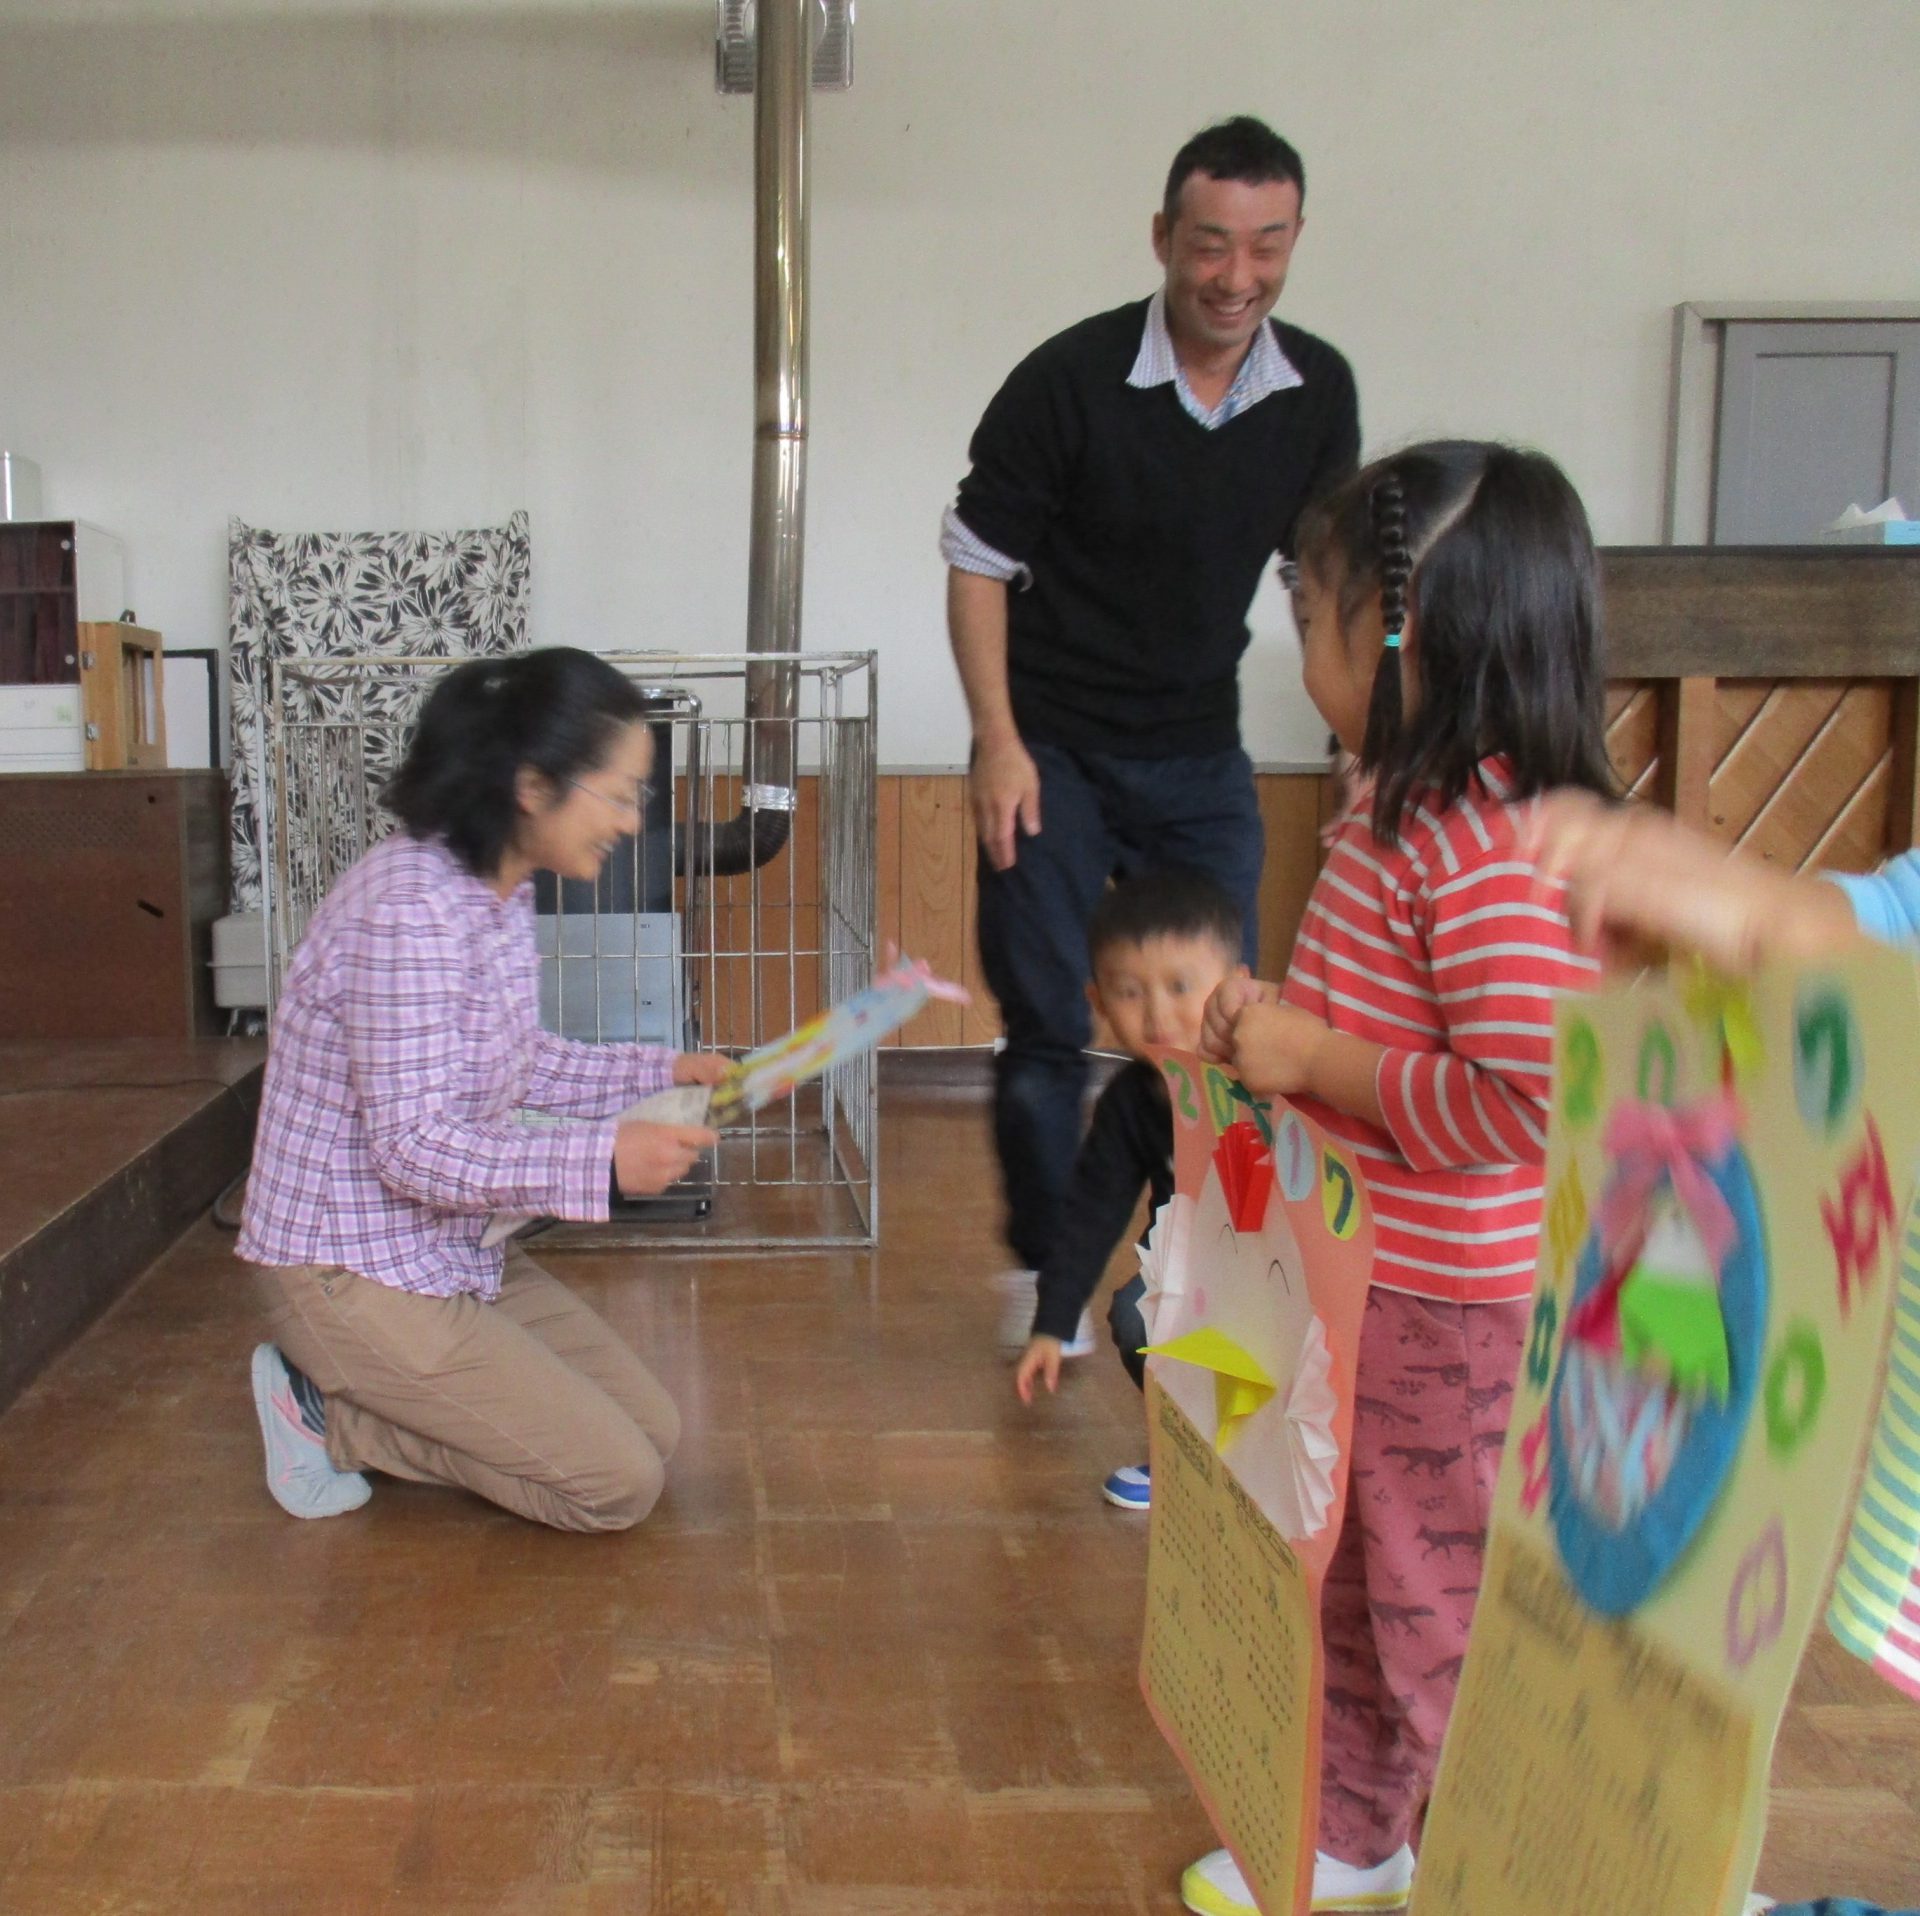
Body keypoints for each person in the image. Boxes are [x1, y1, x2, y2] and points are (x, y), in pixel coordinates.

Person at [1182, 442, 1614, 1914]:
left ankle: (1526, 1864)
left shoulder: (1489, 845)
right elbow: (1382, 1027)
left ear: (1406, 637)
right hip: (1367, 1280)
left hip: (1451, 1311)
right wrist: (1275, 1034)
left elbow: (1532, 1100)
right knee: (1362, 1574)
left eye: (1313, 616)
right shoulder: (1397, 806)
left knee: (1439, 1602)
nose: (1298, 648)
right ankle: (1361, 1837)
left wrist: (1316, 1057)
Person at [943, 113, 1360, 1347]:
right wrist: (996, 740)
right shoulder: (1068, 380)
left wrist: (1360, 741)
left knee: (1226, 1024)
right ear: (1164, 236)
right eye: (1211, 243)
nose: (1237, 275)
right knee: (1045, 1024)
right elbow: (976, 561)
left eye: (1266, 245)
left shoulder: (1317, 391)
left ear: (1295, 239)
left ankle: (1201, 1263)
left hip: (1197, 750)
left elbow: (1325, 581)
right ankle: (1050, 1280)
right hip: (1051, 747)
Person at [237, 648, 727, 1532]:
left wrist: (662, 1071)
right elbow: (411, 1147)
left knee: (654, 1431)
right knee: (616, 1487)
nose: (631, 820)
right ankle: (326, 1415)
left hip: (447, 1247)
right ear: (533, 787)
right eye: (620, 794)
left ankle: (366, 1402)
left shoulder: (496, 890)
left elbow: (519, 1060)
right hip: (348, 1271)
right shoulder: (408, 910)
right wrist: (601, 1164)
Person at [1012, 868, 1247, 1509]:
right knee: (1136, 1312)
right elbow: (1091, 1214)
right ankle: (1185, 1454)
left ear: (1235, 984)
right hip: (1188, 1273)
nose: (1158, 1014)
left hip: (1284, 1280)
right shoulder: (1130, 1104)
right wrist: (1053, 1322)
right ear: (1097, 1001)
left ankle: (1272, 1470)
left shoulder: (1267, 1073)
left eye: (1180, 986)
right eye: (1129, 992)